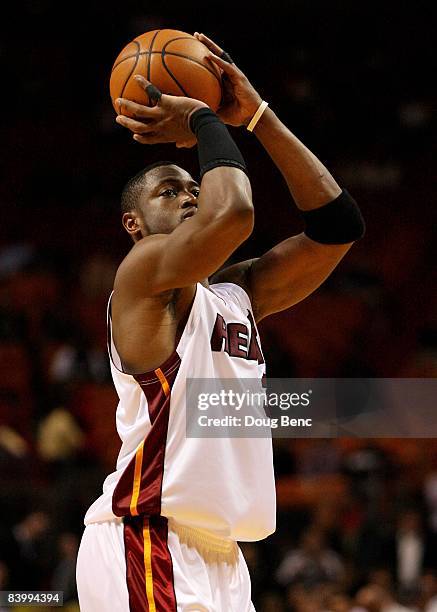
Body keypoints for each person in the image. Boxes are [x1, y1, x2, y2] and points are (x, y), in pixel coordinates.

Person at [76, 32, 365, 612]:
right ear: (133, 224)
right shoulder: (142, 274)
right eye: (168, 191)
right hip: (147, 537)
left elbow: (338, 225)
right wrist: (208, 121)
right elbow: (232, 211)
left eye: (191, 185)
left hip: (223, 554)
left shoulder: (236, 294)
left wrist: (258, 116)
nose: (188, 194)